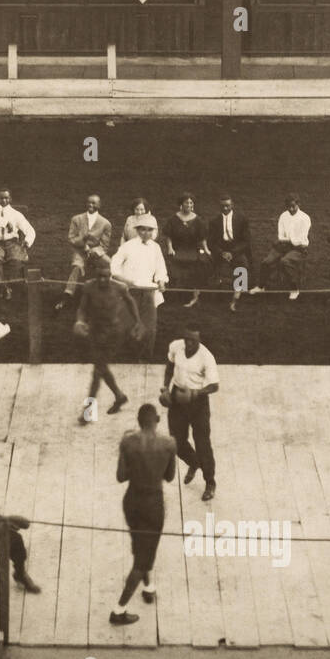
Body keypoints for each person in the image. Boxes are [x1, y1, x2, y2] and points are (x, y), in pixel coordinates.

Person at [110, 403, 177, 625]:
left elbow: (120, 476)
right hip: (153, 504)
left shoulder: (128, 443)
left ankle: (148, 588)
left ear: (138, 422)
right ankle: (119, 610)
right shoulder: (168, 444)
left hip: (132, 501)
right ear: (157, 419)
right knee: (142, 558)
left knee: (141, 545)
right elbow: (169, 477)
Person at [73, 257, 140, 424]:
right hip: (95, 332)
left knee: (98, 372)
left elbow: (131, 303)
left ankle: (88, 413)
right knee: (101, 368)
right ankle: (119, 395)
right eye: (99, 276)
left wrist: (137, 322)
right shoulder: (88, 287)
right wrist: (80, 321)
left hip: (114, 333)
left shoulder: (120, 287)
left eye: (105, 276)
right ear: (95, 275)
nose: (102, 280)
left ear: (110, 274)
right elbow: (82, 308)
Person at [162, 327, 219, 502]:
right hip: (177, 396)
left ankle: (210, 482)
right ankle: (194, 463)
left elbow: (214, 386)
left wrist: (194, 394)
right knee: (176, 441)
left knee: (202, 444)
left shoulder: (207, 357)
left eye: (193, 340)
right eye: (187, 339)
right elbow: (170, 366)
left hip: (197, 401)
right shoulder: (176, 347)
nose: (189, 343)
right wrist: (165, 388)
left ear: (199, 340)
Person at [110, 213, 167, 358]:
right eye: (143, 229)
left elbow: (161, 268)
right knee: (126, 325)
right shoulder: (127, 246)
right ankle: (123, 356)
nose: (146, 233)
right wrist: (125, 281)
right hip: (130, 291)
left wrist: (161, 281)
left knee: (149, 328)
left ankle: (145, 357)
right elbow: (114, 266)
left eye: (150, 230)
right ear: (137, 230)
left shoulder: (156, 247)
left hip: (149, 292)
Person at [55, 195, 113, 311]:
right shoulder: (76, 219)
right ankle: (67, 295)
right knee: (77, 267)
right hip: (79, 251)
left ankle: (108, 295)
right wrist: (82, 244)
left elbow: (105, 246)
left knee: (110, 264)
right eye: (89, 203)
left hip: (96, 253)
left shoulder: (105, 223)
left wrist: (93, 251)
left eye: (94, 203)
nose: (91, 205)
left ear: (99, 205)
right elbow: (71, 238)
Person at [251, 193, 310, 300]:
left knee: (285, 261)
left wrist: (290, 240)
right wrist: (290, 240)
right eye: (289, 207)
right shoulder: (283, 216)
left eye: (293, 206)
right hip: (283, 246)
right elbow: (280, 236)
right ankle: (261, 286)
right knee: (266, 262)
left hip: (299, 249)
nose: (291, 209)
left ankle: (294, 289)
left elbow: (301, 240)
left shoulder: (305, 218)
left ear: (298, 204)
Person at [0, 188, 36, 300]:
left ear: (10, 199)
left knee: (17, 260)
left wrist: (27, 241)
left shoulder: (16, 214)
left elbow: (30, 230)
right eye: (1, 198)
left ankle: (5, 285)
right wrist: (6, 223)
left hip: (12, 243)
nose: (4, 200)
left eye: (6, 198)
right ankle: (5, 288)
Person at [162, 192, 211, 309]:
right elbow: (168, 236)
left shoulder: (198, 220)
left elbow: (202, 237)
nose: (189, 204)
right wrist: (170, 247)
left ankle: (195, 297)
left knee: (200, 265)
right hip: (179, 249)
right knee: (173, 266)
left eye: (191, 202)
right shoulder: (173, 219)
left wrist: (206, 249)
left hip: (193, 249)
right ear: (181, 204)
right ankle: (177, 296)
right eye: (186, 202)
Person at [208, 193, 251, 312]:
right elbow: (211, 242)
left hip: (236, 249)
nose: (225, 208)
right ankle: (217, 296)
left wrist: (233, 252)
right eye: (222, 206)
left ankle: (236, 298)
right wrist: (221, 253)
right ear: (219, 207)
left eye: (227, 205)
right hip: (221, 250)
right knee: (213, 267)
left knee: (242, 266)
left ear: (232, 205)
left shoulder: (242, 219)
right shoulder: (214, 221)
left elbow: (246, 241)